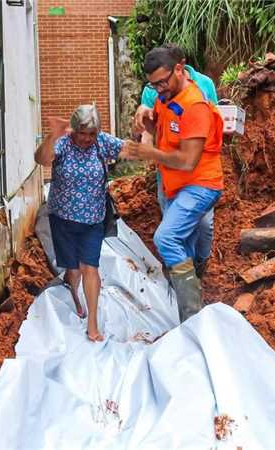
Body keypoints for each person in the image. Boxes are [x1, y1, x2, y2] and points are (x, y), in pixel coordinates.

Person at [127, 47, 224, 322]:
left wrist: (149, 153)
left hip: (200, 184)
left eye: (162, 82)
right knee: (184, 244)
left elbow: (186, 161)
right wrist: (145, 117)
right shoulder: (165, 98)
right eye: (153, 84)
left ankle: (192, 320)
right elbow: (156, 127)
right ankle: (193, 313)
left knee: (166, 238)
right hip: (174, 186)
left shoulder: (195, 105)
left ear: (179, 70)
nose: (159, 89)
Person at [34, 104, 129, 341]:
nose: (87, 139)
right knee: (73, 269)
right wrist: (53, 135)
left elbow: (129, 150)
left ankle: (93, 325)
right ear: (73, 130)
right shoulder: (63, 143)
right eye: (82, 133)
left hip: (93, 220)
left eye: (91, 134)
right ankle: (74, 291)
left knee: (90, 267)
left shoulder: (102, 143)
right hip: (62, 218)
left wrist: (156, 144)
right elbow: (41, 159)